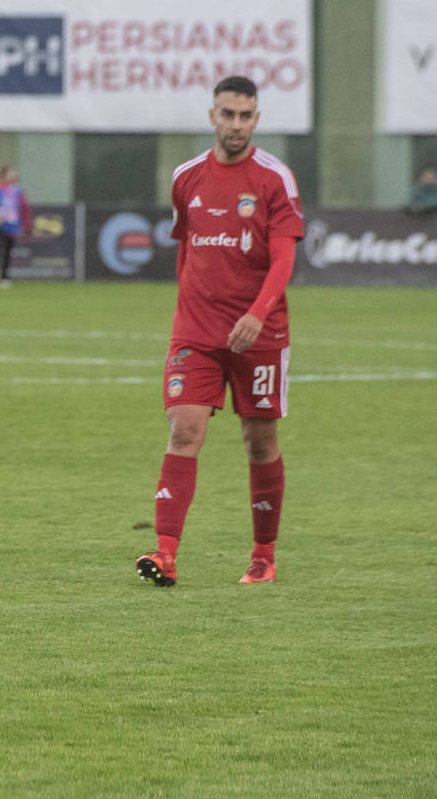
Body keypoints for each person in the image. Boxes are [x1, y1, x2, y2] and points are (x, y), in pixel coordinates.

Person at [136, 75, 305, 588]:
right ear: (212, 115)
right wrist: (188, 313)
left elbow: (283, 259)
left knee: (259, 444)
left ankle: (262, 556)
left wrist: (256, 314)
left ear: (257, 119)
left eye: (246, 115)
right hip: (196, 333)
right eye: (228, 114)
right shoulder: (186, 177)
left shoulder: (276, 179)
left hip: (260, 335)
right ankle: (165, 554)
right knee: (183, 430)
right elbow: (186, 252)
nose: (236, 125)